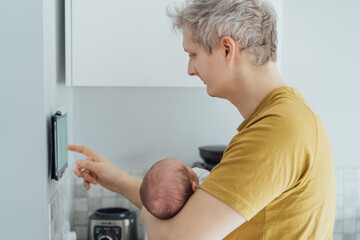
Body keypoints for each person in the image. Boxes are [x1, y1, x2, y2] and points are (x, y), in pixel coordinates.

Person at [67, 0, 336, 239]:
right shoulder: (284, 119)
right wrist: (118, 180)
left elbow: (176, 237)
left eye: (192, 55)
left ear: (227, 49)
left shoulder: (277, 129)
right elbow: (198, 214)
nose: (190, 70)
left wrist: (149, 212)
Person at [140, 158, 209, 219]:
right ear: (194, 188)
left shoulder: (168, 223)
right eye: (187, 168)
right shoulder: (205, 189)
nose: (192, 169)